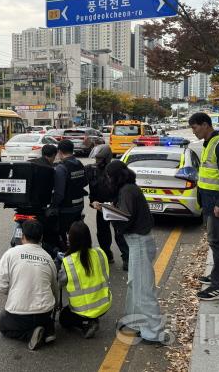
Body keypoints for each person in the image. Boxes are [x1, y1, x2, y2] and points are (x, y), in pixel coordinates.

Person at [95, 160, 166, 344]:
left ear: (115, 177)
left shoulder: (126, 191)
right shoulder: (129, 188)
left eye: (109, 177)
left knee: (143, 289)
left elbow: (124, 216)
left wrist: (106, 210)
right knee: (136, 284)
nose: (108, 180)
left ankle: (154, 332)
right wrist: (104, 207)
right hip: (139, 242)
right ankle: (135, 322)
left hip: (139, 242)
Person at [188, 113, 219, 301]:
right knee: (215, 240)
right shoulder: (208, 144)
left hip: (217, 202)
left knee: (217, 241)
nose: (194, 131)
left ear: (206, 125)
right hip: (208, 202)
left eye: (195, 127)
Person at [0, 220, 59, 350]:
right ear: (41, 238)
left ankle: (30, 335)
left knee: (2, 326)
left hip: (19, 314)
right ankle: (47, 328)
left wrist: (15, 290)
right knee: (42, 316)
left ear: (22, 236)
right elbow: (54, 288)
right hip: (44, 312)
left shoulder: (10, 254)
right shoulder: (48, 258)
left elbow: (0, 287)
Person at [58, 220, 111, 339]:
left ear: (71, 239)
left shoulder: (68, 261)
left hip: (81, 310)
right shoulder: (100, 252)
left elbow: (61, 282)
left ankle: (86, 324)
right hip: (104, 304)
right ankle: (92, 319)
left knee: (63, 319)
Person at [86, 145, 130, 271]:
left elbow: (124, 188)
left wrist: (118, 203)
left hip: (115, 206)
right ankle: (107, 254)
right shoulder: (91, 169)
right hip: (100, 206)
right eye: (96, 158)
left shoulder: (115, 170)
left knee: (119, 233)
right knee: (102, 232)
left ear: (106, 158)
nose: (97, 161)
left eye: (100, 159)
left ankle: (126, 258)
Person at [49, 139, 88, 247]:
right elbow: (85, 182)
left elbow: (59, 193)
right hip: (79, 205)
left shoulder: (62, 167)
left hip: (66, 208)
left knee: (63, 236)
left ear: (60, 152)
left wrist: (53, 206)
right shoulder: (79, 163)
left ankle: (66, 256)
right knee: (76, 233)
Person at [29, 144, 61, 255]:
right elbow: (53, 188)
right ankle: (52, 251)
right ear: (53, 155)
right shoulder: (49, 169)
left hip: (25, 203)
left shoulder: (32, 162)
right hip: (39, 205)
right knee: (52, 226)